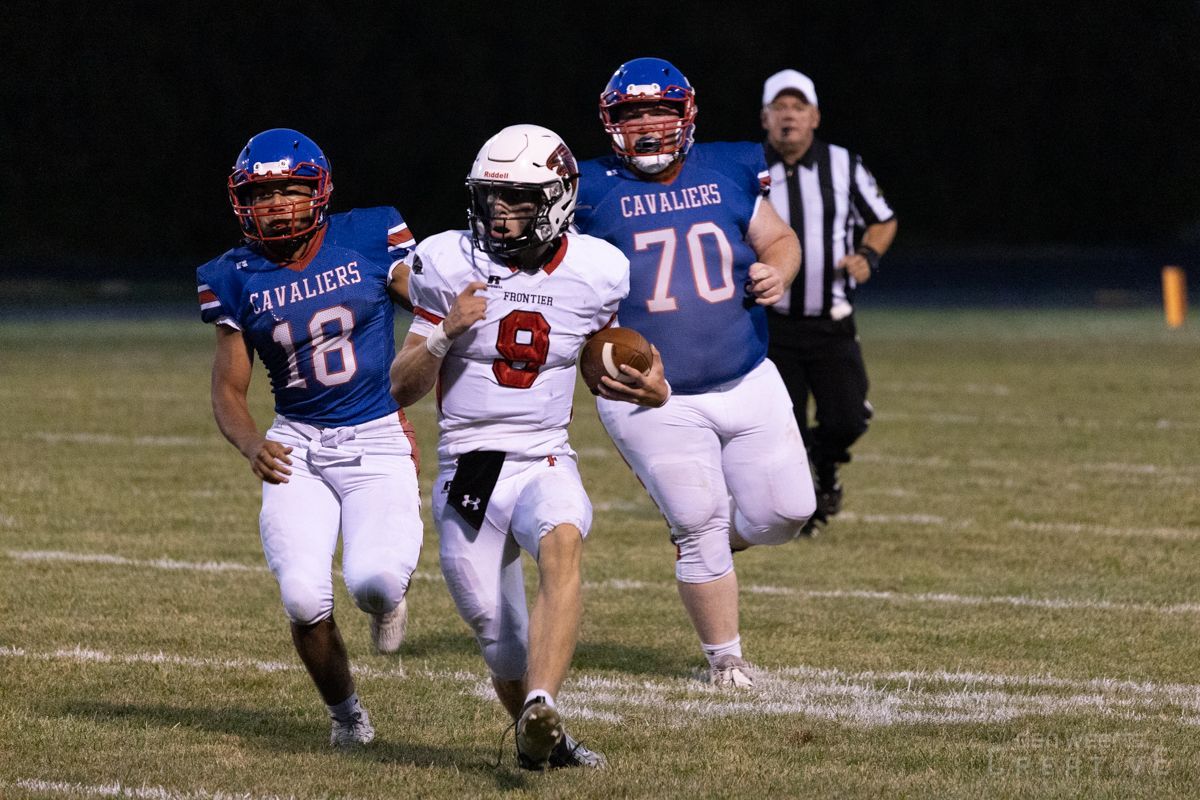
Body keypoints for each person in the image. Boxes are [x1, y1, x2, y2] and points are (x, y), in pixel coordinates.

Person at [389, 124, 667, 770]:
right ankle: (539, 734)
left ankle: (544, 699)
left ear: (559, 200)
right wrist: (442, 333)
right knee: (501, 642)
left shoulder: (597, 271)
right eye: (492, 199)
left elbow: (601, 366)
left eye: (517, 201)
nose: (500, 215)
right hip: (469, 467)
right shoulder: (450, 263)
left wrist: (649, 385)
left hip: (544, 455)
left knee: (563, 535)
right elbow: (401, 387)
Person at [572, 58, 816, 688]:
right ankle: (725, 656)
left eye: (658, 110)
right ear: (611, 122)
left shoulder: (730, 165)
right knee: (698, 516)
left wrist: (780, 271)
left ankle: (708, 545)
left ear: (686, 114)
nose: (648, 124)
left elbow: (781, 239)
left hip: (746, 373)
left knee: (786, 513)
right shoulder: (588, 188)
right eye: (633, 114)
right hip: (651, 394)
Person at [196, 128, 423, 748]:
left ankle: (388, 599)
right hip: (298, 441)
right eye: (260, 194)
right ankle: (347, 718)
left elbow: (427, 306)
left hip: (375, 434)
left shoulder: (371, 234)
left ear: (319, 189)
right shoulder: (231, 275)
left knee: (373, 580)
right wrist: (250, 444)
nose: (275, 205)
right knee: (302, 596)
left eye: (288, 190)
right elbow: (228, 391)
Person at [759, 69, 898, 533]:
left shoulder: (844, 165)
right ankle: (809, 507)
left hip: (831, 320)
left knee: (848, 418)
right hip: (774, 324)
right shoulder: (750, 171)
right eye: (780, 108)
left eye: (798, 108)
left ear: (815, 117)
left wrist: (868, 256)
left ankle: (827, 461)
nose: (789, 117)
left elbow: (883, 219)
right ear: (765, 118)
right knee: (787, 430)